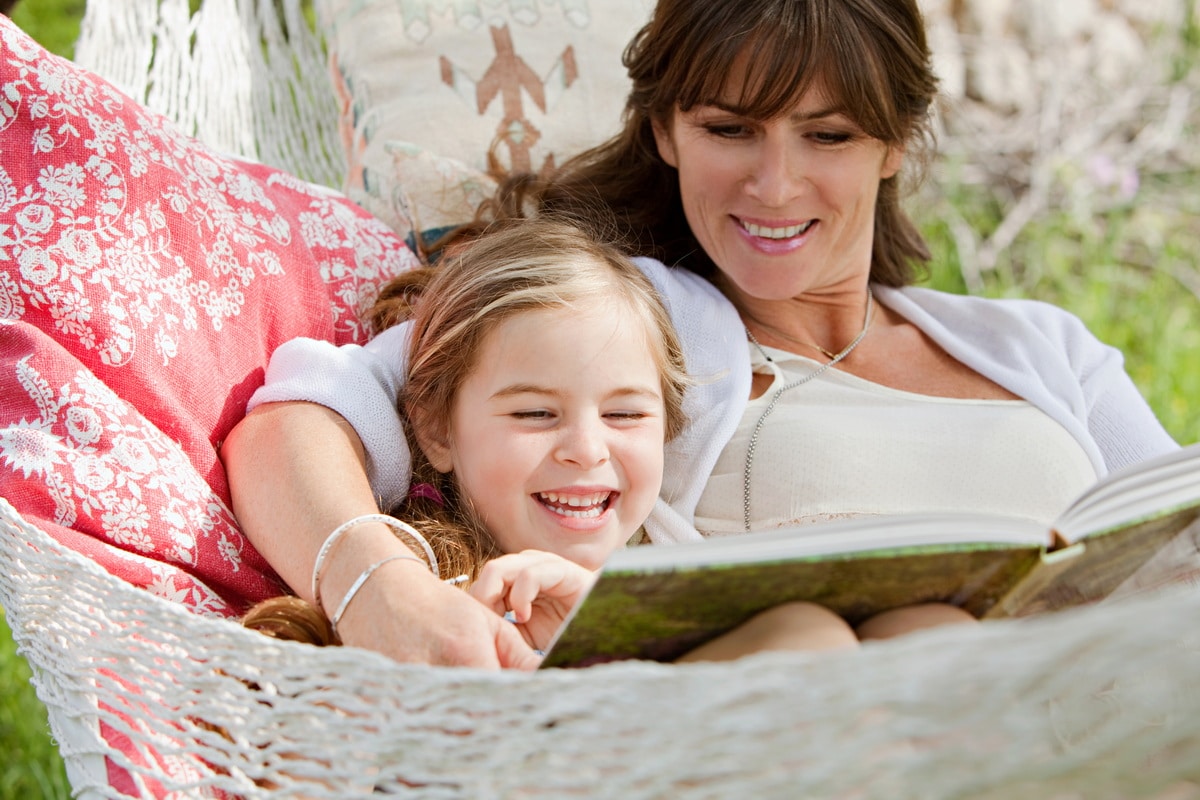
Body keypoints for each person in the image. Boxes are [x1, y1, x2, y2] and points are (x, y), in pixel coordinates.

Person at [220, 0, 1178, 667]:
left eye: (828, 135)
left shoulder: (1041, 347)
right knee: (922, 639)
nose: (773, 185)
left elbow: (1179, 542)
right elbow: (299, 422)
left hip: (1119, 711)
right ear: (666, 131)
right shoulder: (623, 316)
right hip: (842, 725)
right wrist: (382, 590)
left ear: (895, 143)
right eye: (730, 130)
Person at [239, 216, 861, 661]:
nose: (587, 449)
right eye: (535, 414)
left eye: (625, 416)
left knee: (810, 631)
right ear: (436, 430)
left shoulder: (673, 563)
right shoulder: (442, 610)